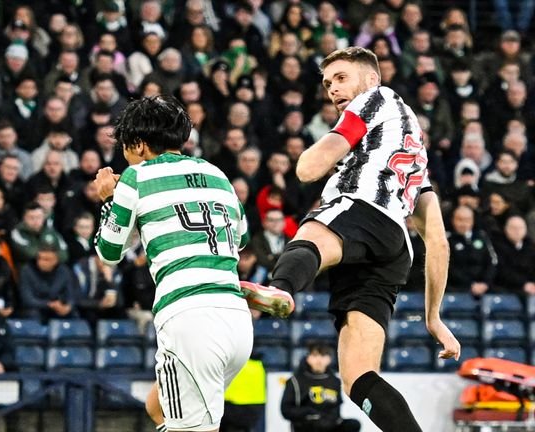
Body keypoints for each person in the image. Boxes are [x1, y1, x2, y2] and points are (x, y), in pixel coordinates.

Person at [263, 47, 460, 431]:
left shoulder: (377, 97)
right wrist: (433, 318)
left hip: (363, 210)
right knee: (357, 379)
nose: (332, 89)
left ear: (371, 78)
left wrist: (310, 161)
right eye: (326, 83)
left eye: (340, 78)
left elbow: (309, 168)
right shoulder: (411, 151)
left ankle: (281, 288)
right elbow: (436, 240)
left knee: (313, 231)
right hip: (393, 249)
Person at [93, 94, 253, 432]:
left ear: (137, 144)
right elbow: (242, 238)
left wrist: (109, 199)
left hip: (189, 318)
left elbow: (109, 252)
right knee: (158, 407)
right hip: (236, 320)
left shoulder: (137, 177)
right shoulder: (217, 173)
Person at [281, 343, 360, 432]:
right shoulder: (295, 381)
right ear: (308, 358)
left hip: (329, 425)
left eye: (323, 355)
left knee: (353, 424)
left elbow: (336, 409)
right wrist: (309, 413)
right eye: (315, 355)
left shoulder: (334, 381)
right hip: (306, 425)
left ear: (329, 359)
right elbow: (286, 409)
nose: (319, 360)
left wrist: (329, 420)